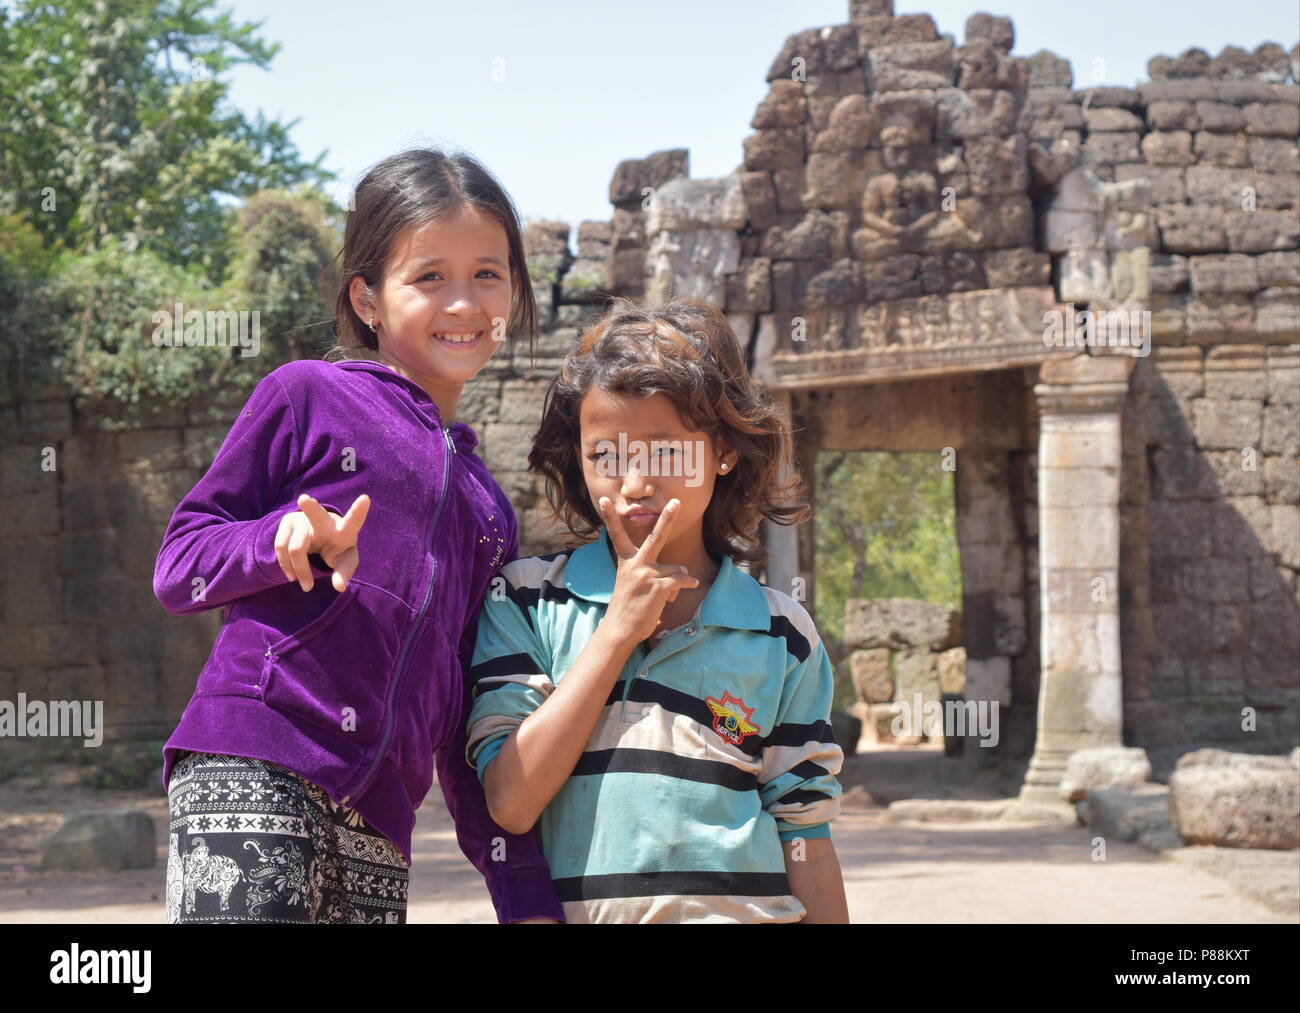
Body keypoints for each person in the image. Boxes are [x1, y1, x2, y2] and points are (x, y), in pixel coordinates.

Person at [154, 147, 563, 924]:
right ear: (368, 298)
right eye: (429, 276)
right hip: (256, 756)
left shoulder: (488, 511)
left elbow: (469, 719)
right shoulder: (306, 396)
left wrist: (525, 894)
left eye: (488, 272)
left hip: (381, 821)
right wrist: (276, 540)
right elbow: (179, 564)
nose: (465, 303)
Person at [464, 297, 850, 923]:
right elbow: (511, 800)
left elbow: (805, 832)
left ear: (723, 451)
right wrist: (618, 630)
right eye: (604, 455)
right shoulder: (526, 601)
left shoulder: (781, 633)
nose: (634, 482)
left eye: (664, 451)